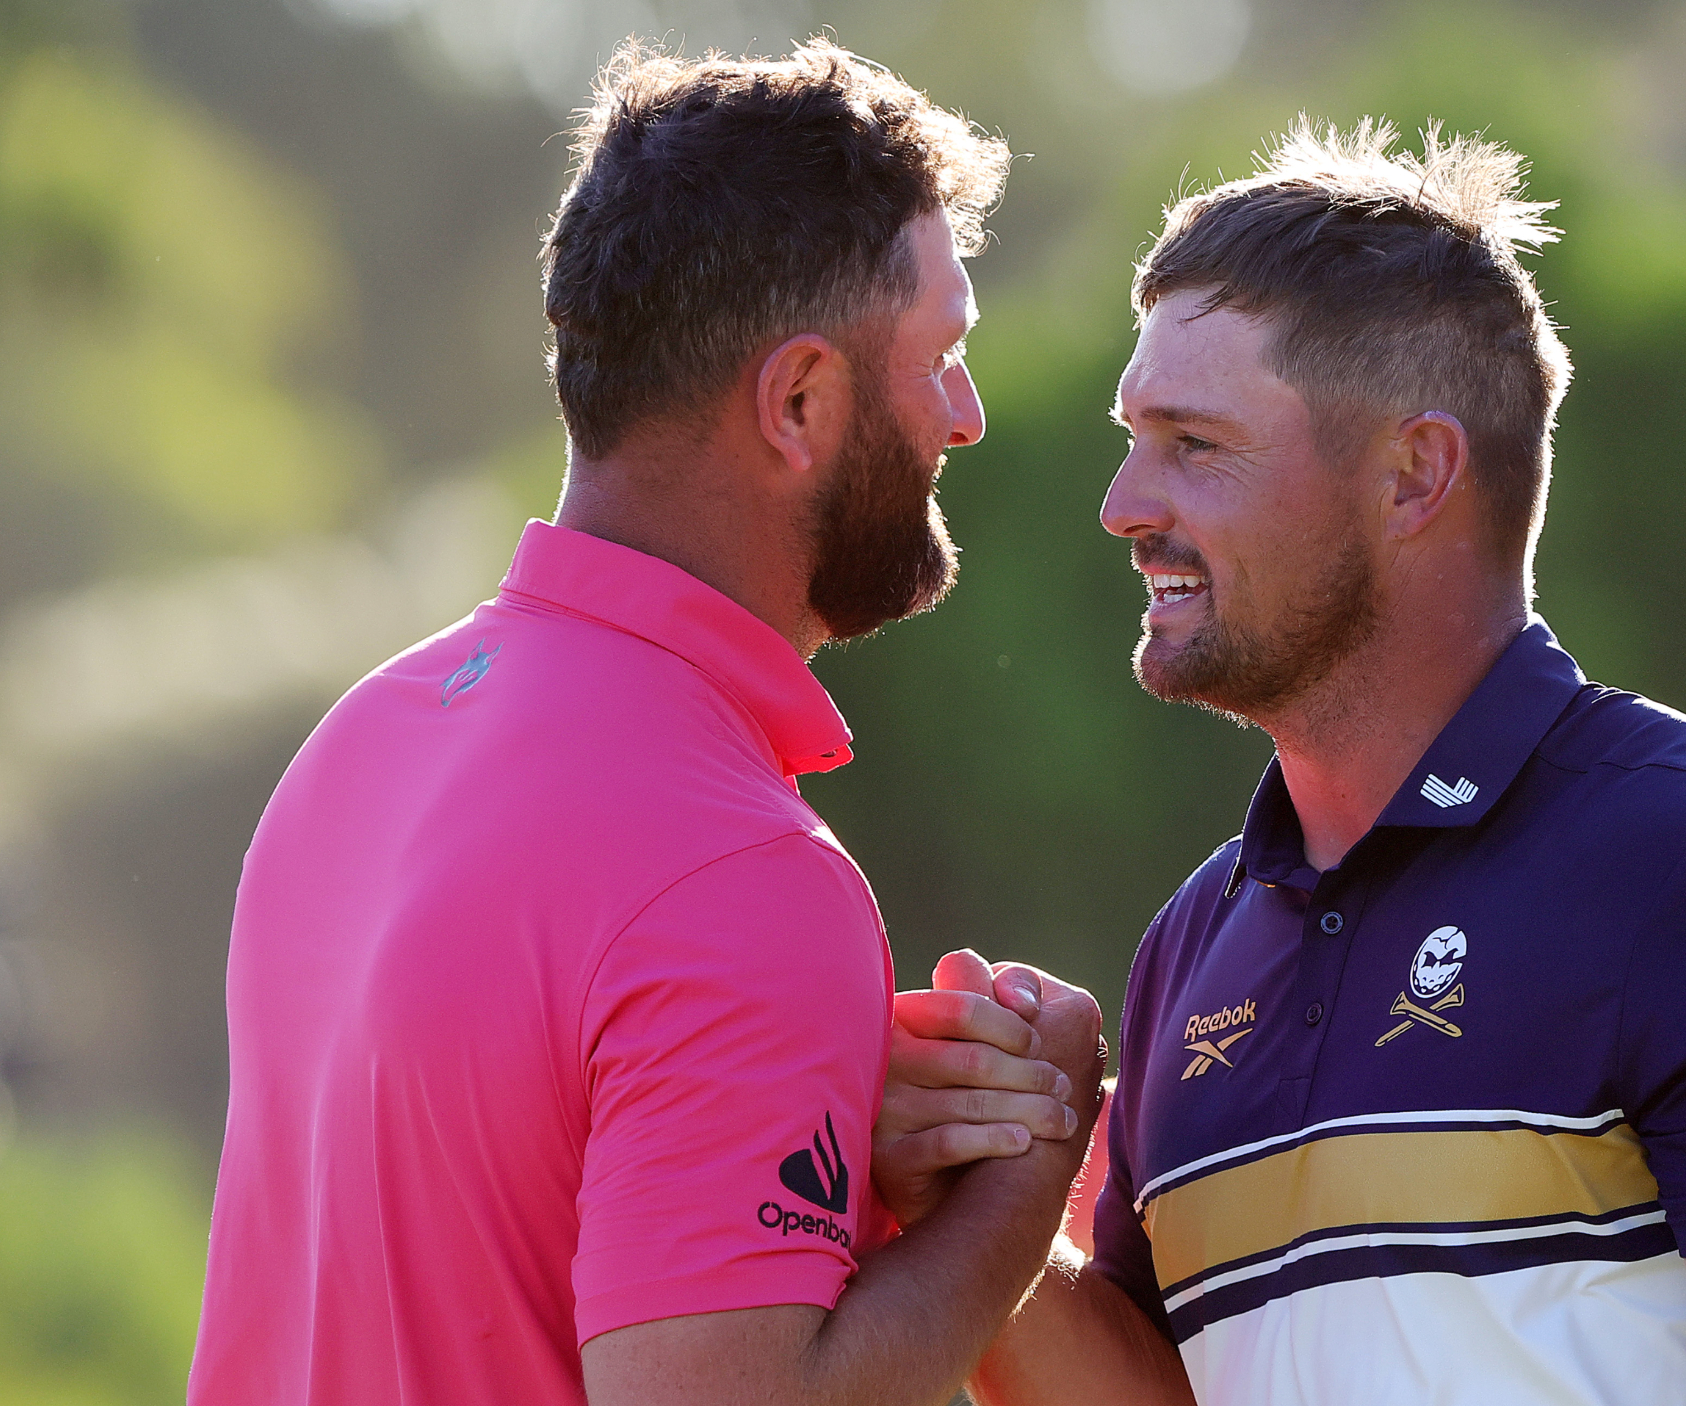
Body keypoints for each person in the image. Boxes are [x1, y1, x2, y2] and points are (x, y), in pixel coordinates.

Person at [890, 122, 1686, 1406]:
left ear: (1413, 474)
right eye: (1134, 435)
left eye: (1195, 443)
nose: (1124, 501)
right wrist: (985, 1197)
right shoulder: (1195, 938)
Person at [189, 41, 1103, 1406]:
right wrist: (1024, 1181)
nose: (964, 416)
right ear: (797, 403)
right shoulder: (737, 871)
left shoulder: (360, 742)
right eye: (943, 357)